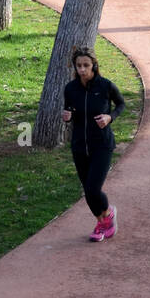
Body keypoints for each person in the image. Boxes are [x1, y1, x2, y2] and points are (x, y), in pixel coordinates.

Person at [62, 47, 125, 241]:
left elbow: (121, 104)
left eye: (86, 65)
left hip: (102, 145)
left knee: (93, 189)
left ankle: (107, 216)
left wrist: (110, 117)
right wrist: (67, 116)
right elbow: (69, 110)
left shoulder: (105, 86)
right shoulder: (71, 88)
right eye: (79, 66)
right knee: (87, 192)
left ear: (94, 65)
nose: (82, 69)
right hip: (80, 146)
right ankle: (103, 222)